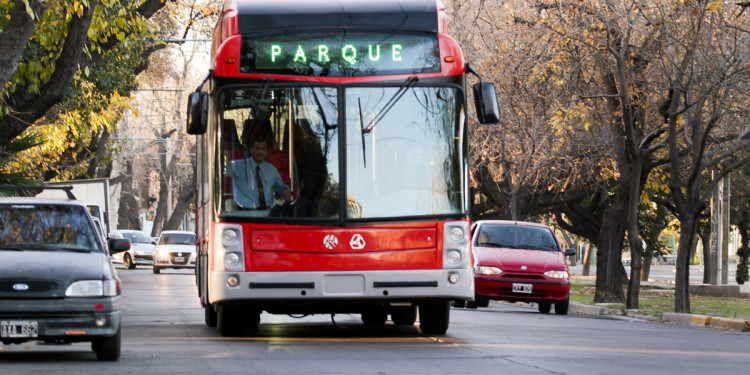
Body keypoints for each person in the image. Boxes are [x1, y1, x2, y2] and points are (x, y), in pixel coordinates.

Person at [226, 139, 292, 210]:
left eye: (264, 149)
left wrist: (284, 189)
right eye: (258, 148)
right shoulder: (238, 165)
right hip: (243, 212)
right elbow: (222, 167)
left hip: (266, 212)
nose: (261, 151)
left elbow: (279, 185)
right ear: (251, 150)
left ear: (266, 152)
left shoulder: (271, 169)